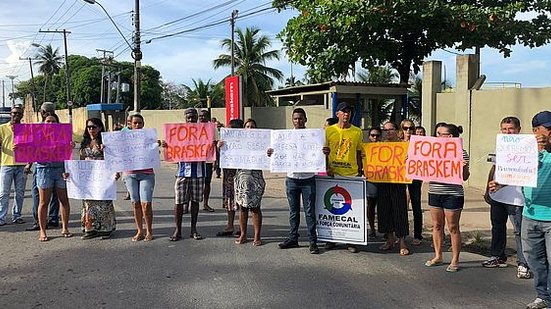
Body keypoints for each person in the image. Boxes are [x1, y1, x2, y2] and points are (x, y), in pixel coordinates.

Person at [492, 111, 550, 309]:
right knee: (535, 259)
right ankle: (543, 296)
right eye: (548, 129)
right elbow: (515, 171)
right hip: (530, 215)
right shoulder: (523, 150)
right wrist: (499, 183)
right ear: (535, 131)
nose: (550, 132)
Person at [482, 116, 531, 280]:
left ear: (518, 130)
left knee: (519, 232)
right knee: (497, 227)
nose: (507, 132)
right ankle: (498, 256)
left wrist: (502, 184)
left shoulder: (527, 149)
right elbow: (494, 169)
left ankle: (523, 264)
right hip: (497, 197)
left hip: (517, 200)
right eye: (504, 129)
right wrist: (487, 191)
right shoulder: (501, 146)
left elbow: (524, 174)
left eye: (510, 129)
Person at [272, 108, 320, 254]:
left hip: (308, 179)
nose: (298, 121)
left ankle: (313, 241)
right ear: (292, 120)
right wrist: (271, 153)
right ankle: (293, 238)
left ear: (305, 119)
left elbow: (319, 151)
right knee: (293, 211)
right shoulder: (285, 137)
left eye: (300, 118)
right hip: (292, 179)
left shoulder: (314, 136)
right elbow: (277, 152)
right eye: (295, 119)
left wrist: (324, 151)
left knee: (310, 212)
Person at [425, 123, 470, 272]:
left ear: (449, 137)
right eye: (436, 133)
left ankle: (455, 259)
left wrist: (463, 167)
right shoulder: (431, 151)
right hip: (434, 191)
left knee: (453, 227)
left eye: (440, 133)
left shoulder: (461, 153)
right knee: (437, 225)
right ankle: (438, 256)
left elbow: (464, 177)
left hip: (452, 194)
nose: (436, 136)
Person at [325, 102, 363, 253]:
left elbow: (359, 152)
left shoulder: (357, 132)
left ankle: (351, 240)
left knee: (350, 210)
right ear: (337, 114)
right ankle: (330, 239)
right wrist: (326, 167)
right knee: (330, 208)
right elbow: (323, 151)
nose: (346, 114)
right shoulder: (328, 131)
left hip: (351, 175)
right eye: (343, 111)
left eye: (349, 111)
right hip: (332, 174)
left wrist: (361, 170)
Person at [169, 108, 206, 241]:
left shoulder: (204, 133)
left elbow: (209, 151)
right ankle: (178, 230)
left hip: (199, 172)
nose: (191, 120)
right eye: (188, 117)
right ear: (185, 118)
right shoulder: (178, 134)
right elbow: (172, 152)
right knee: (179, 202)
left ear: (197, 117)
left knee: (195, 201)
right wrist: (167, 146)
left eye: (193, 117)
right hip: (182, 172)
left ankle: (193, 229)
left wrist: (213, 145)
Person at [35, 113, 72, 241]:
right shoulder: (37, 136)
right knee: (44, 202)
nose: (51, 124)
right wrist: (20, 147)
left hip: (60, 169)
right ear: (44, 123)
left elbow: (68, 156)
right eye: (48, 121)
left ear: (58, 123)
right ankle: (42, 231)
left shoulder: (64, 136)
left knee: (64, 200)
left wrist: (70, 147)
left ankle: (65, 227)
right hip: (44, 170)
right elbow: (29, 151)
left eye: (53, 121)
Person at [79, 118, 116, 240]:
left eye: (93, 127)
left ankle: (106, 229)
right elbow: (80, 160)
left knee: (103, 202)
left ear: (100, 128)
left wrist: (106, 150)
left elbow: (113, 159)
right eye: (89, 127)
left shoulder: (105, 142)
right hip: (88, 178)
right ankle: (90, 229)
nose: (91, 129)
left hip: (102, 177)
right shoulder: (84, 143)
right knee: (88, 203)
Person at [377, 121, 410, 255]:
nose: (388, 132)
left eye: (390, 129)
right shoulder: (379, 146)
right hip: (383, 182)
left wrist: (409, 158)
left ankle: (402, 241)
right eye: (385, 130)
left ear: (397, 131)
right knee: (385, 211)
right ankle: (389, 239)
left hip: (398, 182)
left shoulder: (404, 146)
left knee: (399, 211)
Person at [26, 104, 60, 231]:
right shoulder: (36, 129)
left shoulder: (60, 130)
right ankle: (39, 221)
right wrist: (28, 162)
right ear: (42, 112)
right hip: (40, 166)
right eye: (46, 112)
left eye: (51, 112)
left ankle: (53, 219)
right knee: (37, 194)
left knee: (55, 194)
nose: (48, 114)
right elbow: (31, 148)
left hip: (56, 165)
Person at [122, 114, 155, 241]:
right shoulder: (123, 139)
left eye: (140, 123)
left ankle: (149, 231)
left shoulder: (149, 137)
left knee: (146, 204)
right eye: (135, 123)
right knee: (135, 203)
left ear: (143, 124)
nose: (137, 125)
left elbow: (154, 154)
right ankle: (139, 231)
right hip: (130, 174)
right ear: (130, 124)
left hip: (146, 174)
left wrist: (158, 145)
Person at [234, 118, 266, 246]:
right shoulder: (238, 142)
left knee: (255, 207)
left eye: (252, 126)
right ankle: (243, 234)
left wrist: (268, 152)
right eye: (247, 126)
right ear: (244, 128)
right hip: (241, 176)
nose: (250, 128)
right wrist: (221, 146)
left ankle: (257, 236)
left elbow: (268, 155)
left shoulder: (262, 142)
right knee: (242, 207)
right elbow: (227, 152)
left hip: (256, 175)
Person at [0, 106, 28, 226]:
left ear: (22, 115)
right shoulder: (2, 128)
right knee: (3, 192)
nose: (17, 115)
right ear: (10, 114)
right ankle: (1, 217)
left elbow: (32, 147)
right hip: (6, 163)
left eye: (19, 114)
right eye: (14, 113)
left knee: (20, 192)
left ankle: (17, 215)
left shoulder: (26, 129)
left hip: (21, 165)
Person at [216, 119, 243, 237]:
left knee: (241, 201)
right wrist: (218, 147)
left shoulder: (245, 141)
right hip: (228, 173)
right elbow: (217, 156)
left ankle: (241, 227)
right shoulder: (224, 141)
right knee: (229, 200)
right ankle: (230, 225)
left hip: (241, 174)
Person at [399, 119, 423, 246]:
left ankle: (418, 235)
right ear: (401, 129)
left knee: (416, 206)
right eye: (406, 128)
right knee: (401, 206)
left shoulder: (418, 144)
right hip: (400, 177)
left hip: (415, 177)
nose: (408, 131)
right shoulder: (397, 144)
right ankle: (402, 233)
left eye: (411, 128)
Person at [366, 127, 382, 238]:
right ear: (369, 136)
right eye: (372, 135)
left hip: (384, 180)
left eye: (377, 135)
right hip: (371, 180)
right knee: (371, 205)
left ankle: (385, 229)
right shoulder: (365, 148)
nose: (375, 137)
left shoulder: (386, 148)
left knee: (383, 206)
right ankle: (372, 228)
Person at [199, 109, 215, 212]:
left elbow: (216, 143)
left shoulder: (212, 129)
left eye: (204, 116)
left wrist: (215, 160)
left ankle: (205, 203)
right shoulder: (193, 128)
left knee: (207, 182)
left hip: (208, 159)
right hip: (195, 160)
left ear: (208, 117)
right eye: (200, 116)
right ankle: (187, 205)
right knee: (193, 183)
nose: (202, 118)